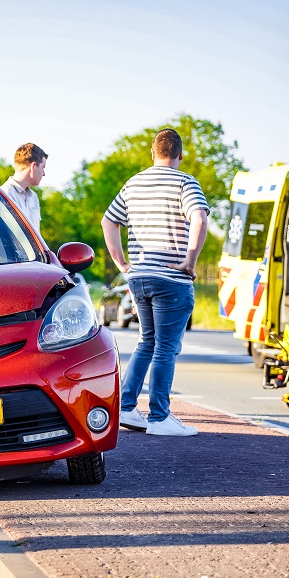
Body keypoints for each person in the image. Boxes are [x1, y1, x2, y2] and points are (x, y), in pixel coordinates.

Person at [101, 128, 209, 437]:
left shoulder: (134, 183)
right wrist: (190, 261)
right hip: (171, 278)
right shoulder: (185, 182)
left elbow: (108, 221)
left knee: (146, 341)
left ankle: (126, 407)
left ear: (153, 153)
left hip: (139, 276)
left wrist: (122, 262)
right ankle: (160, 416)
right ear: (180, 154)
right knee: (166, 347)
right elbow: (199, 218)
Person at [0, 143, 47, 235]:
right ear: (33, 166)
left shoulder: (34, 197)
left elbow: (38, 235)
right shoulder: (4, 195)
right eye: (43, 167)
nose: (44, 173)